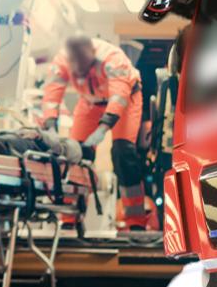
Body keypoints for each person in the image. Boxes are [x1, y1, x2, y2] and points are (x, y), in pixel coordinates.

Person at [41, 36, 147, 231]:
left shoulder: (113, 59)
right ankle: (71, 217)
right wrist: (50, 124)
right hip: (89, 102)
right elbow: (51, 94)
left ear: (92, 58)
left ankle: (136, 222)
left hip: (126, 99)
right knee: (76, 154)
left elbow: (119, 97)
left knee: (123, 153)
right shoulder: (63, 59)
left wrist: (103, 128)